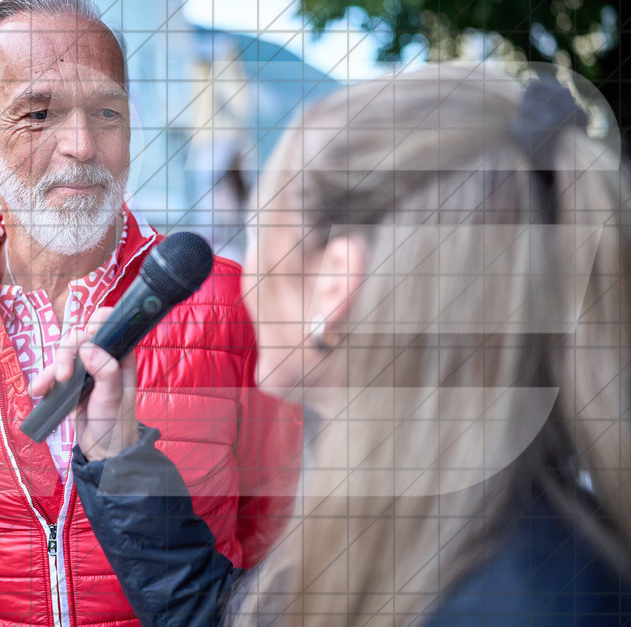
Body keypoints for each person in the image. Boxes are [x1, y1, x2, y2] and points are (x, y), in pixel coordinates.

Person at [62, 63, 631, 624]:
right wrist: (117, 455)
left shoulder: (526, 600)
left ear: (335, 282)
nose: (246, 274)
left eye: (260, 234)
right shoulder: (430, 523)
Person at [0, 0, 300, 627]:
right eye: (38, 112)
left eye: (106, 111)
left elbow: (275, 527)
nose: (81, 144)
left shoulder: (230, 304)